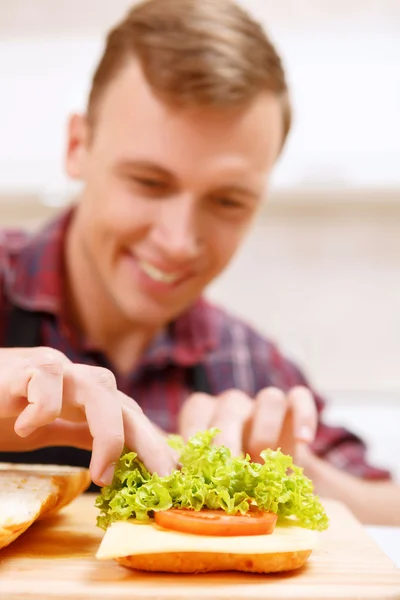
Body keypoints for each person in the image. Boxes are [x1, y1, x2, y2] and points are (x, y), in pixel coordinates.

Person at [0, 0, 398, 524]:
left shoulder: (254, 366)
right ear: (78, 145)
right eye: (148, 182)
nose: (178, 241)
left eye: (227, 201)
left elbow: (387, 504)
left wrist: (297, 472)